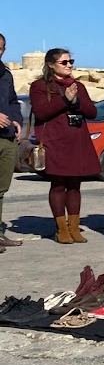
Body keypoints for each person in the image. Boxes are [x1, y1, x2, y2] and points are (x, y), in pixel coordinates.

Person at [28, 49, 100, 244]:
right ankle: (61, 230)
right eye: (64, 62)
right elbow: (41, 112)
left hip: (77, 140)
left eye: (71, 61)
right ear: (51, 65)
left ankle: (74, 227)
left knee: (75, 186)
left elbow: (92, 112)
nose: (69, 65)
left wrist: (76, 102)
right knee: (59, 185)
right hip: (55, 142)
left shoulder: (79, 86)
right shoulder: (39, 86)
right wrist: (64, 100)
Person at [0, 32, 23, 251]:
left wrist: (16, 120)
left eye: (1, 47)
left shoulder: (6, 74)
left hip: (6, 139)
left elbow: (13, 101)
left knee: (1, 189)